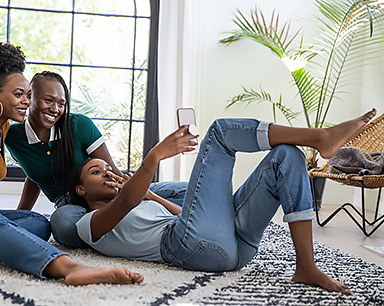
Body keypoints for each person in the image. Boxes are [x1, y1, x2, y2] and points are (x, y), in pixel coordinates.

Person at [68, 109, 377, 294]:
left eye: (109, 167)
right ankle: (321, 138)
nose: (107, 171)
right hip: (185, 249)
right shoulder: (86, 224)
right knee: (219, 132)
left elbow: (183, 215)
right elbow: (124, 206)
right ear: (81, 191)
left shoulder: (143, 200)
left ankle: (306, 266)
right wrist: (155, 156)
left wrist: (153, 196)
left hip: (233, 250)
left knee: (287, 155)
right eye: (96, 171)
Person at [0, 41, 143, 286]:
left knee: (38, 222)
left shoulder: (2, 125)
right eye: (19, 95)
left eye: (27, 95)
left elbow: (29, 176)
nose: (26, 101)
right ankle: (68, 268)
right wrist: (0, 225)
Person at [5, 71, 187, 248]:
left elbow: (113, 173)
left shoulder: (79, 125)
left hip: (110, 190)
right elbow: (34, 174)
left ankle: (152, 212)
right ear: (30, 98)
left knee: (189, 191)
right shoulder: (13, 137)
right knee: (63, 224)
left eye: (61, 103)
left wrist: (139, 195)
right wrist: (21, 213)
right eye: (48, 100)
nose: (55, 109)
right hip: (74, 205)